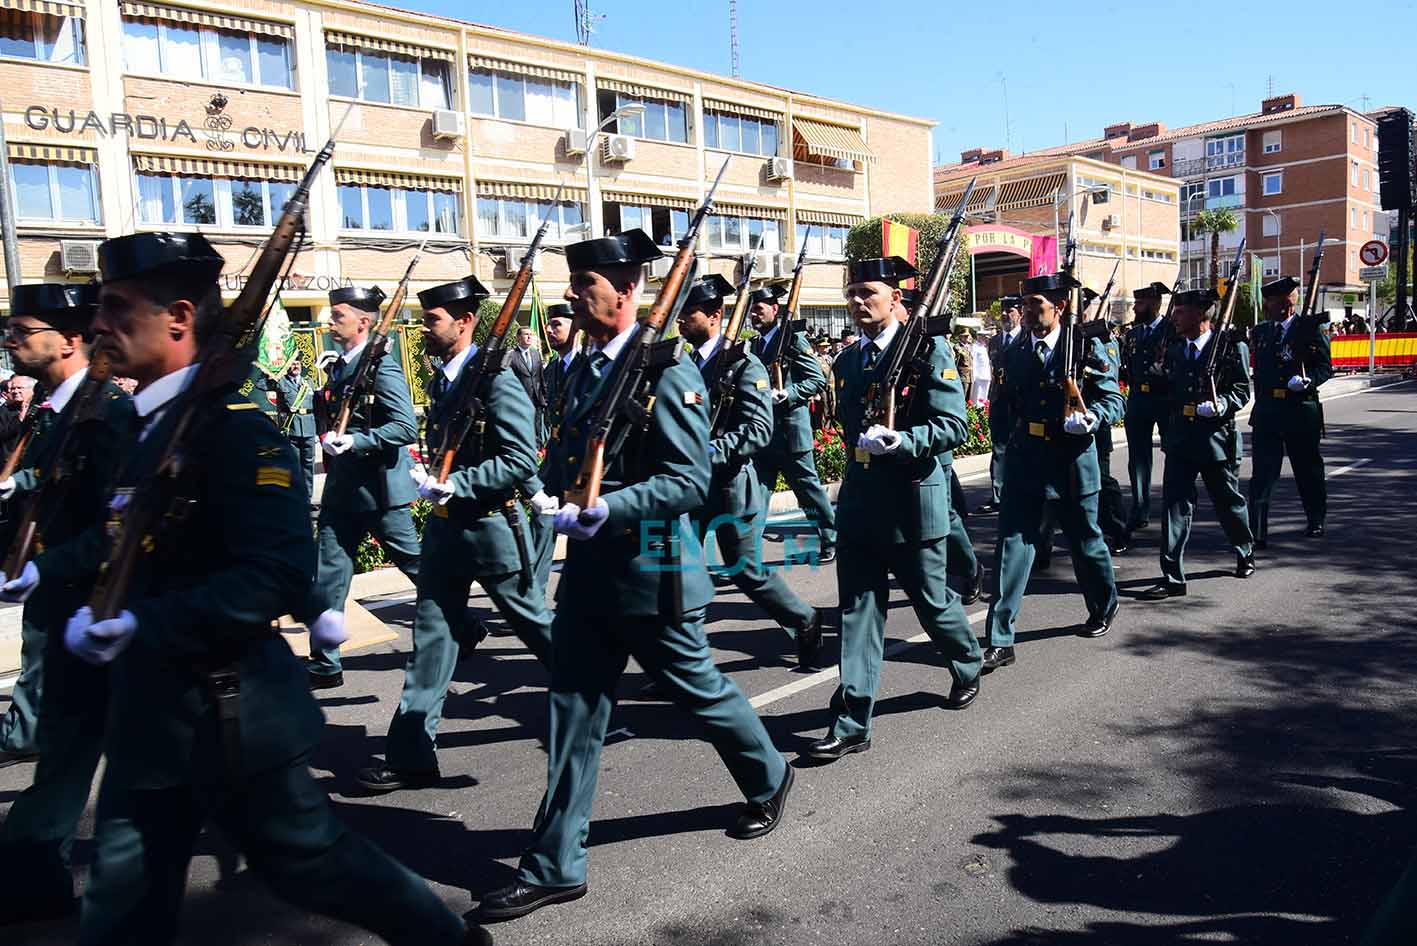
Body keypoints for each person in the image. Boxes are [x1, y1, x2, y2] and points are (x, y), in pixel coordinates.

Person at [55, 232, 489, 946]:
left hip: (227, 715)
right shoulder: (144, 424)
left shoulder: (232, 430)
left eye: (114, 306)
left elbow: (274, 574)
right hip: (147, 717)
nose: (97, 323)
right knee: (120, 904)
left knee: (313, 864)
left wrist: (142, 624)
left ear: (178, 316)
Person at [478, 231, 792, 923]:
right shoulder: (581, 366)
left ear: (623, 291)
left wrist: (610, 507)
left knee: (699, 692)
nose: (570, 293)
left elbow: (687, 478)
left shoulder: (666, 370)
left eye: (583, 282)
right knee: (572, 715)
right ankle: (555, 865)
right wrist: (553, 497)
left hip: (652, 567)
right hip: (591, 576)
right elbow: (572, 457)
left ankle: (770, 774)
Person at [356, 276, 552, 794]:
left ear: (464, 322)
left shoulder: (496, 379)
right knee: (431, 645)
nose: (425, 328)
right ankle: (411, 755)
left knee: (540, 632)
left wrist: (457, 483)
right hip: (446, 536)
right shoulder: (446, 379)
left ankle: (594, 701)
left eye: (433, 320)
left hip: (490, 530)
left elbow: (515, 457)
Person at [805, 256, 983, 763]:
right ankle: (852, 720)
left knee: (933, 604)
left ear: (896, 299)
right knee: (858, 615)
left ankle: (967, 659)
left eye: (869, 292)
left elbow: (955, 426)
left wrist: (904, 440)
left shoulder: (930, 351)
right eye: (852, 293)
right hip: (862, 506)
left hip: (912, 503)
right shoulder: (846, 361)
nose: (859, 301)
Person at [0, 284, 134, 925]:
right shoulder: (55, 412)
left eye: (23, 330)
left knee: (88, 743)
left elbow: (118, 518)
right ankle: (37, 868)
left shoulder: (103, 411)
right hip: (58, 601)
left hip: (94, 607)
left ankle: (33, 860)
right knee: (71, 742)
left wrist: (51, 568)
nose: (12, 341)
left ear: (69, 338)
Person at [676, 273, 823, 668]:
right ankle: (684, 660)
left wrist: (713, 449)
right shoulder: (684, 364)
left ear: (714, 315)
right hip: (689, 487)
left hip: (727, 485)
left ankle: (805, 619)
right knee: (678, 570)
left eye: (687, 314)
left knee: (746, 571)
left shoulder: (744, 365)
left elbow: (758, 430)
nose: (680, 321)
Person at [982, 272, 1123, 673]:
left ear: (1059, 307)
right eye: (1025, 305)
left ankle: (1103, 605)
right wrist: (1004, 446)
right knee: (1012, 545)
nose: (1026, 312)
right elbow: (1006, 401)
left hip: (1072, 458)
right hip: (1027, 456)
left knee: (1085, 542)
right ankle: (1000, 637)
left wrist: (1093, 418)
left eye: (1035, 305)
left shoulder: (1085, 345)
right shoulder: (1014, 349)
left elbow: (1114, 398)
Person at [304, 285, 422, 690]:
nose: (329, 322)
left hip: (380, 492)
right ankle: (325, 661)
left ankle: (462, 624)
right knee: (329, 576)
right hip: (343, 492)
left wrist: (358, 440)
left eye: (337, 315)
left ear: (363, 321)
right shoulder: (342, 366)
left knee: (418, 568)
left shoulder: (381, 367)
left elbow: (406, 426)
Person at [1138, 289, 1256, 600]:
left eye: (1181, 311)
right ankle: (1172, 576)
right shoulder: (1175, 348)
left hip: (1217, 440)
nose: (1174, 316)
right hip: (1180, 440)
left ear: (1201, 315)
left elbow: (1243, 389)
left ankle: (1244, 550)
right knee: (1174, 508)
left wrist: (1223, 404)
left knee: (1228, 504)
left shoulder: (1232, 346)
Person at [749, 285, 837, 562]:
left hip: (790, 433)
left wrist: (788, 394)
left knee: (808, 492)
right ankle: (747, 554)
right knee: (756, 497)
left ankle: (830, 538)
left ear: (775, 310)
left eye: (759, 309)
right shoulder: (755, 345)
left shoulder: (793, 339)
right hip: (764, 434)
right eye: (751, 310)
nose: (754, 314)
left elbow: (816, 380)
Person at [1247, 275, 1333, 546]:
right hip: (1268, 411)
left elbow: (1324, 366)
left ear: (1287, 303)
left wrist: (1309, 382)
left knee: (1307, 470)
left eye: (1270, 302)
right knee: (1262, 475)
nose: (1266, 306)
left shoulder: (1308, 328)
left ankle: (1316, 519)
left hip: (1299, 411)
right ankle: (1257, 532)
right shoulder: (1262, 331)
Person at [526, 301, 583, 590]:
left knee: (582, 536)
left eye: (556, 324)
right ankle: (533, 596)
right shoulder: (551, 369)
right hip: (554, 463)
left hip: (582, 466)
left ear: (576, 326)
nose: (548, 330)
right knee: (542, 522)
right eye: (549, 324)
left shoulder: (588, 366)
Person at [1121, 281, 1173, 532]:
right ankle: (1140, 508)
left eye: (1140, 304)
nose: (1135, 308)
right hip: (1139, 399)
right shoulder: (1132, 334)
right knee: (1138, 457)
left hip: (1165, 399)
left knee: (1173, 452)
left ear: (1154, 304)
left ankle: (1175, 504)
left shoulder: (1172, 330)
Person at [976, 296, 1025, 517]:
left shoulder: (1026, 337)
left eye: (1011, 311)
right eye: (1004, 311)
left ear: (1020, 314)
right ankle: (998, 495)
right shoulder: (995, 341)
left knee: (1021, 448)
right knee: (998, 448)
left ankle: (1019, 492)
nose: (1006, 315)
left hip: (1019, 402)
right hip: (999, 401)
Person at [270, 357, 317, 502]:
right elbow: (261, 384)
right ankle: (297, 499)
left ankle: (307, 499)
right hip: (292, 429)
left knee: (309, 466)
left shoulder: (308, 383)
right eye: (293, 363)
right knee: (295, 466)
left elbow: (317, 407)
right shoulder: (280, 382)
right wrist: (269, 371)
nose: (296, 366)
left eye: (298, 363)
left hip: (309, 429)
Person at [508, 325, 547, 442]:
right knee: (521, 426)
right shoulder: (511, 355)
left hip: (536, 398)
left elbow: (541, 376)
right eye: (526, 334)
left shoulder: (535, 354)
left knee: (537, 426)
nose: (529, 337)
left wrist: (544, 396)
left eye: (531, 335)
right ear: (518, 338)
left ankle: (538, 450)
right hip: (519, 399)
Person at [969, 331, 992, 404]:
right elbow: (973, 362)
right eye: (984, 337)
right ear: (979, 337)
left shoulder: (984, 347)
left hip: (986, 375)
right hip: (978, 376)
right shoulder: (975, 347)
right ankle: (976, 413)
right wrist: (974, 376)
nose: (986, 339)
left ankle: (983, 413)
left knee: (984, 397)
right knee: (977, 397)